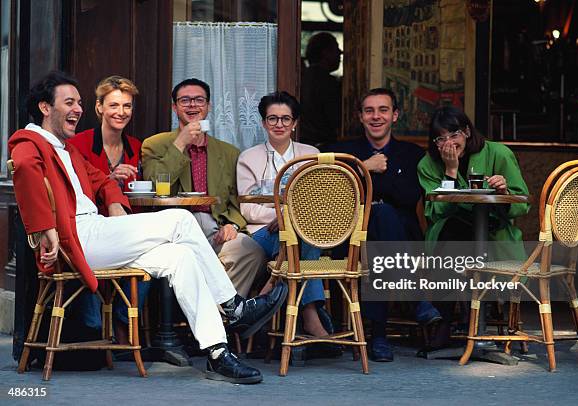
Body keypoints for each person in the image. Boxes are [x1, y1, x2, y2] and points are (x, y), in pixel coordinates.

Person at [8, 71, 287, 384]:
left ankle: (217, 353)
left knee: (180, 257)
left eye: (79, 103)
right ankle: (233, 306)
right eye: (69, 102)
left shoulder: (66, 147)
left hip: (98, 231)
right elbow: (24, 172)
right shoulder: (29, 141)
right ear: (45, 108)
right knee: (181, 219)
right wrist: (45, 229)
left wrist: (115, 204)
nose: (78, 109)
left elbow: (101, 180)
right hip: (79, 239)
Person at [325, 88, 441, 362]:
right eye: (369, 111)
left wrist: (367, 189)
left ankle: (377, 335)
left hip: (401, 236)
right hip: (351, 237)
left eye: (383, 110)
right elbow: (330, 193)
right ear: (360, 117)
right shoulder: (344, 152)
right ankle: (414, 301)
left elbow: (408, 195)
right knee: (379, 219)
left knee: (383, 217)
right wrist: (367, 167)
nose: (376, 116)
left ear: (395, 115)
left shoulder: (411, 154)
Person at [141, 78, 267, 298]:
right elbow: (153, 185)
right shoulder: (155, 144)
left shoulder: (228, 152)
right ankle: (222, 314)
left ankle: (220, 313)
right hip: (176, 227)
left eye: (199, 100)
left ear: (209, 106)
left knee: (251, 251)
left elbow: (235, 200)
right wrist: (180, 143)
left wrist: (232, 225)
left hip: (214, 226)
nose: (192, 105)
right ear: (174, 107)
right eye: (185, 100)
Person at [236, 91, 335, 340]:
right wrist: (283, 215)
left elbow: (320, 201)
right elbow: (248, 209)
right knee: (304, 236)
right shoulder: (248, 157)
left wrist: (287, 219)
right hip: (261, 233)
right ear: (263, 123)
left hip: (303, 232)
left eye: (285, 119)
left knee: (303, 234)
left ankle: (273, 285)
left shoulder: (311, 154)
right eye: (272, 119)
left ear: (295, 123)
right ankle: (311, 316)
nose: (279, 124)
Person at [67, 75, 149, 344]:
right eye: (114, 105)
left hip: (124, 224)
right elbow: (75, 191)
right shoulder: (78, 144)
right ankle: (96, 327)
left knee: (154, 254)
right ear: (100, 107)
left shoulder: (136, 146)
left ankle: (124, 321)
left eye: (127, 106)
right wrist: (110, 177)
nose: (121, 112)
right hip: (91, 227)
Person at [417, 105, 530, 259]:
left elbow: (522, 205)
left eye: (454, 135)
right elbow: (437, 213)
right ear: (435, 142)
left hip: (493, 231)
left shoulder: (499, 154)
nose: (449, 143)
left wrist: (504, 193)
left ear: (467, 132)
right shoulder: (427, 164)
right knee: (455, 230)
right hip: (448, 232)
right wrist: (451, 171)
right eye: (441, 138)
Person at [300, 32, 342, 148]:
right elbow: (334, 118)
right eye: (336, 49)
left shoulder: (301, 78)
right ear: (325, 53)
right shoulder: (327, 82)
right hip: (322, 145)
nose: (340, 53)